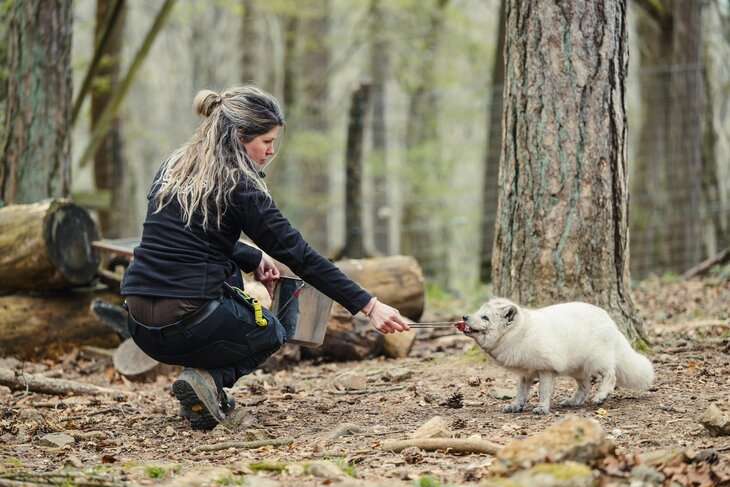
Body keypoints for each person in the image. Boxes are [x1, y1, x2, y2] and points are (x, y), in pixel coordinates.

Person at [120, 85, 409, 431]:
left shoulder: (174, 167)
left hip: (139, 324)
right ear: (240, 135)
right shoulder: (240, 186)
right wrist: (369, 305)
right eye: (266, 141)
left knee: (228, 272)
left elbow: (189, 235)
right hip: (188, 324)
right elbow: (300, 256)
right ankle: (208, 379)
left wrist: (251, 255)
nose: (271, 151)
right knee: (273, 331)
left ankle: (203, 384)